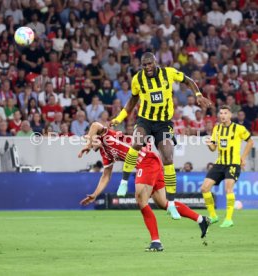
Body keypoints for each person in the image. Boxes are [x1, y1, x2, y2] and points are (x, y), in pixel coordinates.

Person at [79, 122, 210, 251]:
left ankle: (156, 242)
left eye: (91, 138)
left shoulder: (107, 135)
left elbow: (95, 125)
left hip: (147, 161)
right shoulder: (105, 154)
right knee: (163, 203)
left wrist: (88, 144)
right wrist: (95, 194)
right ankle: (201, 219)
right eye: (88, 138)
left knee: (141, 200)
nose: (91, 140)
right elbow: (106, 176)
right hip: (151, 163)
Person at [111, 52, 211, 219]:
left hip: (164, 123)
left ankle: (171, 203)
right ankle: (123, 182)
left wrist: (198, 95)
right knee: (136, 142)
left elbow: (189, 80)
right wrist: (119, 118)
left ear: (155, 62)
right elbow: (133, 100)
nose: (148, 67)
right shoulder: (138, 79)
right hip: (145, 120)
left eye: (150, 64)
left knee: (168, 158)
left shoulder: (168, 73)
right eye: (144, 65)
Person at [201, 105, 254, 228]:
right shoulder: (217, 128)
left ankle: (229, 219)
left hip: (233, 163)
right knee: (204, 188)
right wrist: (209, 144)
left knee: (228, 189)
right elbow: (213, 149)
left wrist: (243, 157)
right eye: (221, 113)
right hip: (219, 163)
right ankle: (213, 216)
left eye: (225, 113)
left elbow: (250, 141)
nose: (223, 115)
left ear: (230, 115)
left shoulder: (239, 128)